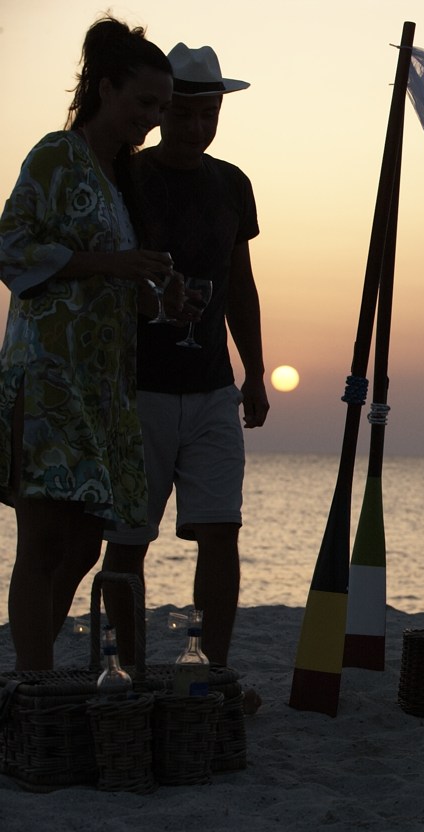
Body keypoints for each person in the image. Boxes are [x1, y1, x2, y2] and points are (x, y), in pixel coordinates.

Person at [0, 18, 179, 670]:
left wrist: (158, 292)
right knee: (44, 540)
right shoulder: (57, 155)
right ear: (106, 88)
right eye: (144, 103)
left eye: (163, 107)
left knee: (82, 547)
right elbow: (12, 247)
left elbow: (116, 274)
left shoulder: (116, 176)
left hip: (99, 388)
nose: (155, 119)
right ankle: (33, 682)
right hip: (49, 378)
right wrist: (112, 265)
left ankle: (33, 672)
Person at [102, 43, 269, 667]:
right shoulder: (129, 179)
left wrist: (254, 371)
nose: (198, 127)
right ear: (163, 110)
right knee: (129, 537)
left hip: (211, 388)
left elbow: (241, 283)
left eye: (210, 114)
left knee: (221, 530)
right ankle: (129, 668)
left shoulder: (232, 184)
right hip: (138, 388)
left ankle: (213, 673)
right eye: (186, 114)